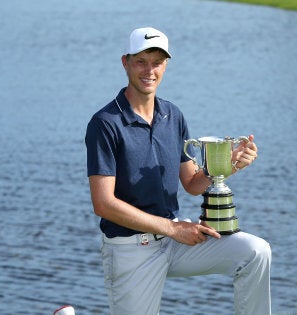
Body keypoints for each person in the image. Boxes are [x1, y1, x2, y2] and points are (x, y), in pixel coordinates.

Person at [85, 27, 271, 315]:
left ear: (166, 65)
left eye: (157, 62)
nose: (150, 70)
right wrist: (172, 228)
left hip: (174, 242)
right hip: (131, 249)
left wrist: (228, 165)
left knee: (255, 252)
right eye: (141, 61)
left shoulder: (172, 115)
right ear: (125, 62)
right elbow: (103, 204)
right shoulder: (105, 123)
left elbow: (193, 183)